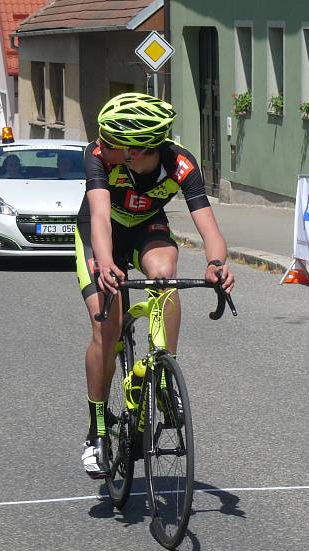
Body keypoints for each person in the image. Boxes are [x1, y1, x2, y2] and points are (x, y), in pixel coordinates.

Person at [75, 92, 235, 478]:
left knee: (165, 272)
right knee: (105, 328)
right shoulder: (97, 157)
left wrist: (217, 264)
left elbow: (208, 225)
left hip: (148, 228)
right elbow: (98, 216)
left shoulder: (179, 163)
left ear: (138, 150)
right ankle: (97, 430)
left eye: (111, 140)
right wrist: (107, 262)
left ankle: (165, 371)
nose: (102, 144)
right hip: (102, 233)